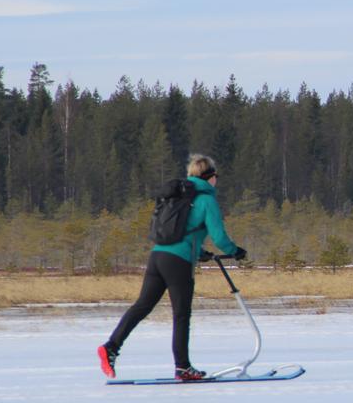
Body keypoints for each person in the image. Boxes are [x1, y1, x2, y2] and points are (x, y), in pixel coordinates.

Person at [97, 154, 247, 381]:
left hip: (158, 256)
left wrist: (200, 253)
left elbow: (182, 230)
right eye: (216, 176)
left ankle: (111, 347)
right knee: (181, 314)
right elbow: (218, 236)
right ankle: (183, 367)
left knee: (142, 306)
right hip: (178, 262)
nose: (217, 180)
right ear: (209, 177)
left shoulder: (179, 196)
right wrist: (235, 251)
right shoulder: (206, 199)